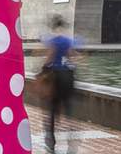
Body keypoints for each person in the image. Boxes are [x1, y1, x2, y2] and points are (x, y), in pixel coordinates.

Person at [41, 15, 76, 153]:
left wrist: (44, 68)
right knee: (68, 108)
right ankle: (71, 137)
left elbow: (50, 56)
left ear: (53, 26)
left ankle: (51, 141)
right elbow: (70, 56)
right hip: (68, 76)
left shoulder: (52, 41)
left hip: (55, 78)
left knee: (52, 110)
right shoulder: (67, 40)